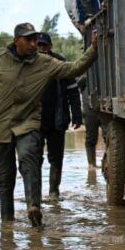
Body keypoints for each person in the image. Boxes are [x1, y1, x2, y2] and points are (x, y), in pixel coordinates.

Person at [0, 23, 99, 228]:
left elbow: (72, 69)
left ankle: (34, 206)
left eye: (36, 40)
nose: (34, 44)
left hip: (28, 123)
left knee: (29, 159)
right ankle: (7, 222)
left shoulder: (44, 63)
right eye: (29, 40)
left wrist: (93, 49)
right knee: (5, 177)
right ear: (17, 40)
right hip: (1, 125)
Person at [35, 33, 82, 202]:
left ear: (50, 47)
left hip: (58, 121)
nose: (41, 49)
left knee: (56, 159)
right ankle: (35, 195)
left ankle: (54, 192)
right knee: (34, 159)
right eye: (39, 45)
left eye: (44, 46)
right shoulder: (29, 64)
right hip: (35, 123)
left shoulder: (61, 63)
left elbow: (73, 91)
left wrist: (77, 115)